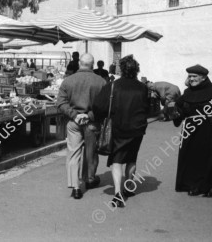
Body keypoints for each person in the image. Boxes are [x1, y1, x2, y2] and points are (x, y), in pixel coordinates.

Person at [93, 55, 149, 208]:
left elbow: (98, 106)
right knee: (132, 158)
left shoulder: (113, 85)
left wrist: (100, 118)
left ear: (122, 69)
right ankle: (129, 187)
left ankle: (118, 193)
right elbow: (148, 109)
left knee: (117, 160)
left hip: (118, 128)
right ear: (136, 70)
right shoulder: (143, 87)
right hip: (137, 128)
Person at [172, 64, 212, 197]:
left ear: (203, 77)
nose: (191, 79)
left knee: (210, 158)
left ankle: (211, 186)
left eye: (194, 76)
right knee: (192, 159)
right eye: (189, 76)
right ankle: (194, 185)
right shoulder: (187, 93)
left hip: (210, 131)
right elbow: (180, 109)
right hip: (190, 132)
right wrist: (175, 113)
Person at [57, 53, 106, 200]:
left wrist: (75, 115)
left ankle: (76, 187)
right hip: (92, 123)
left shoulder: (68, 81)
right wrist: (89, 115)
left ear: (80, 64)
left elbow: (60, 103)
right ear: (93, 64)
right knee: (91, 153)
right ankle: (89, 179)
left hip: (74, 122)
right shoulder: (101, 82)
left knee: (73, 153)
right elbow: (104, 106)